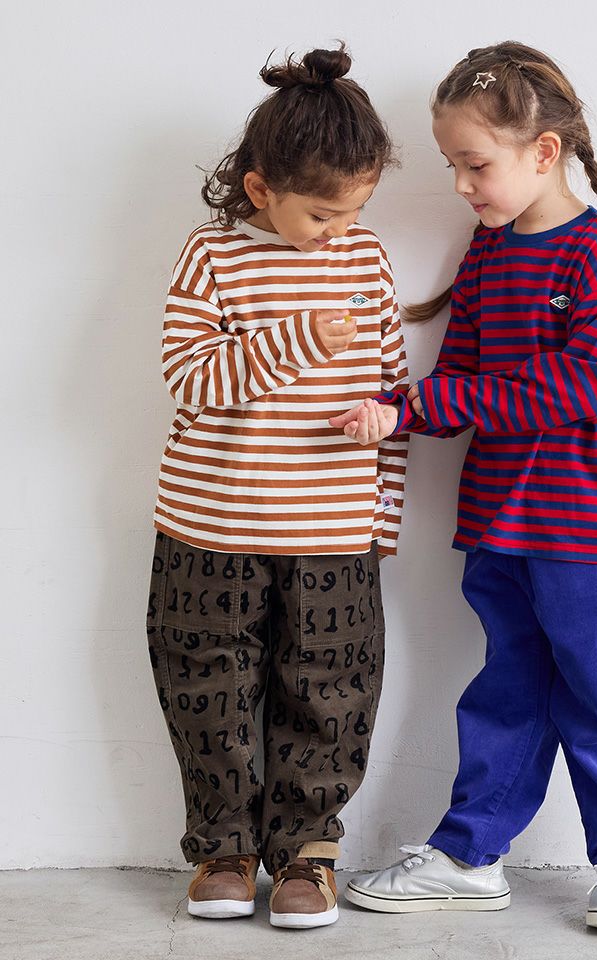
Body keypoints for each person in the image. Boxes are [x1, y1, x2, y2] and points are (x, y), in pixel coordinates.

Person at [331, 41, 597, 932]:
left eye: (474, 164)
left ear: (543, 152)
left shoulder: (596, 254)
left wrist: (425, 403)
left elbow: (576, 390)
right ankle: (470, 854)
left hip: (589, 527)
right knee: (506, 690)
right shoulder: (488, 253)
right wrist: (394, 409)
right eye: (453, 165)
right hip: (498, 522)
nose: (460, 185)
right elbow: (460, 379)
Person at [145, 44, 409, 930]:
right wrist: (295, 340)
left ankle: (307, 853)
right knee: (207, 687)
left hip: (333, 527)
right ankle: (222, 847)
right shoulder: (212, 255)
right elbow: (190, 377)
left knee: (329, 691)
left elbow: (392, 396)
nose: (340, 230)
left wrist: (382, 516)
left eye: (355, 212)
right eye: (322, 214)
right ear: (260, 189)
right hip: (208, 522)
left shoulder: (365, 259)